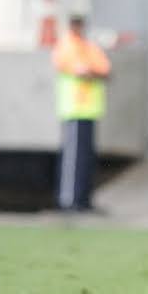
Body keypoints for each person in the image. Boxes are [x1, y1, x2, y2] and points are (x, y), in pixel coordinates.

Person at [52, 15, 111, 212]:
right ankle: (69, 200)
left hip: (90, 110)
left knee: (86, 159)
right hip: (74, 109)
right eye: (75, 23)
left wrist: (93, 72)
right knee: (73, 158)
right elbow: (81, 71)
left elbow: (105, 70)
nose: (79, 27)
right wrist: (93, 72)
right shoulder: (66, 46)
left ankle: (84, 200)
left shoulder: (89, 47)